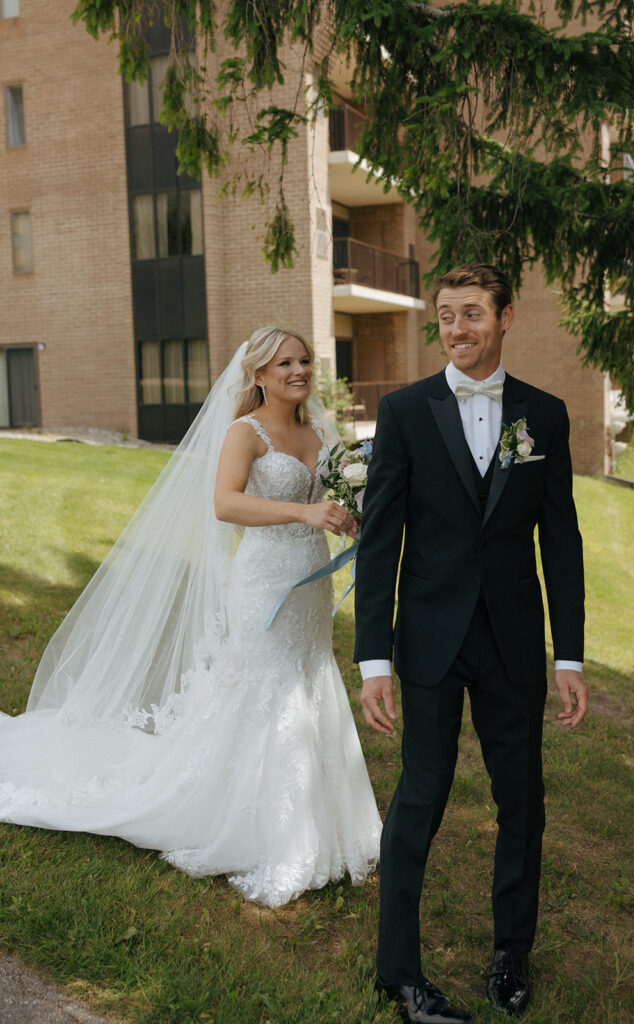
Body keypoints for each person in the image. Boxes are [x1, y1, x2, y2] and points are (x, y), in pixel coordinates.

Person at [0, 326, 381, 908]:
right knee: (268, 688)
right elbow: (225, 503)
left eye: (304, 361)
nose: (298, 371)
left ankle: (328, 818)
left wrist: (345, 514)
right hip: (262, 584)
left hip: (308, 588)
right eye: (285, 363)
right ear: (257, 375)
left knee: (309, 676)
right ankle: (263, 826)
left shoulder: (319, 431)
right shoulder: (244, 431)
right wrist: (303, 510)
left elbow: (330, 496)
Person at [354, 264, 588, 1021]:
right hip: (426, 641)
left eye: (471, 315)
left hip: (513, 643)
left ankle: (510, 955)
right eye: (446, 316)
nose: (456, 330)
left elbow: (560, 541)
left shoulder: (543, 416)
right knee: (419, 799)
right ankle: (400, 973)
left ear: (505, 317)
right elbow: (379, 541)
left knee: (521, 801)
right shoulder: (403, 412)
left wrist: (568, 655)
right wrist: (373, 660)